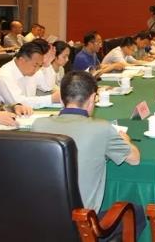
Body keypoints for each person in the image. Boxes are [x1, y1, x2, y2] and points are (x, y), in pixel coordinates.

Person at [32, 71, 145, 240]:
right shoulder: (101, 128)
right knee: (137, 212)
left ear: (61, 99)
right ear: (92, 99)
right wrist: (126, 140)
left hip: (42, 222)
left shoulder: (38, 125)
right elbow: (135, 159)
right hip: (83, 227)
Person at [0, 42, 61, 108]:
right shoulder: (4, 76)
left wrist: (47, 64)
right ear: (22, 60)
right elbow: (19, 103)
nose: (37, 69)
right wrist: (51, 99)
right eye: (35, 65)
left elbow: (47, 86)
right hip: (9, 114)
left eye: (40, 65)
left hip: (28, 113)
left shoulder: (31, 69)